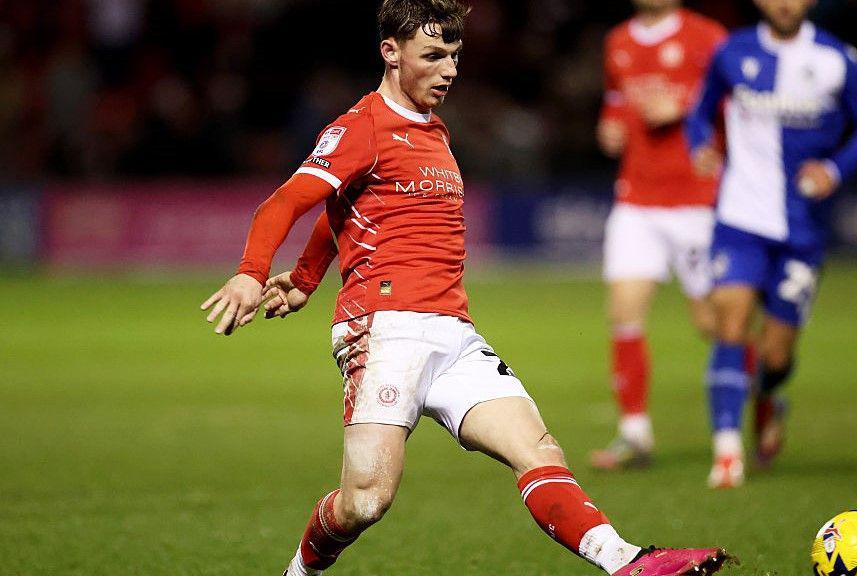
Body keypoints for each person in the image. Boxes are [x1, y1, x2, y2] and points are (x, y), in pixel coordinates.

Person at [200, 1, 730, 574]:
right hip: (385, 332)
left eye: (454, 55)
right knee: (366, 501)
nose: (449, 69)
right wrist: (252, 274)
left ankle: (628, 562)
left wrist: (305, 279)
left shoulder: (434, 130)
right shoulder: (362, 126)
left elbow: (342, 210)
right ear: (391, 52)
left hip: (454, 334)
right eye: (432, 55)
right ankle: (299, 572)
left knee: (539, 449)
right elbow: (287, 202)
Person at [687, 0, 857, 488]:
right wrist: (700, 147)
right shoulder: (732, 52)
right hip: (739, 218)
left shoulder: (837, 59)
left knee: (775, 356)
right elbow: (700, 112)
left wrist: (834, 169)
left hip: (802, 231)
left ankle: (768, 398)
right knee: (729, 321)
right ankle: (728, 451)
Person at [591, 0, 728, 471]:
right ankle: (634, 433)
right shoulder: (619, 41)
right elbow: (615, 98)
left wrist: (685, 104)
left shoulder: (706, 35)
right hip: (636, 199)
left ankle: (760, 401)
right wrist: (610, 125)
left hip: (696, 200)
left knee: (715, 324)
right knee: (624, 312)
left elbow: (740, 99)